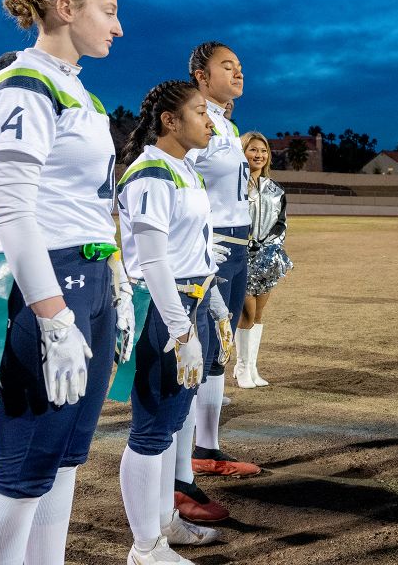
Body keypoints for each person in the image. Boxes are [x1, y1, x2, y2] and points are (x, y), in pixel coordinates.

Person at [0, 0, 123, 565]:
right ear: (66, 9)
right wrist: (53, 312)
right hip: (44, 285)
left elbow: (85, 203)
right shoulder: (22, 87)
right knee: (23, 470)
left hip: (86, 279)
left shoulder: (77, 90)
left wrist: (112, 273)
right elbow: (13, 213)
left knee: (62, 462)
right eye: (107, 12)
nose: (117, 27)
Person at [117, 80, 224, 564]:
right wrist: (182, 331)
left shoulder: (182, 170)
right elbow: (154, 263)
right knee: (152, 430)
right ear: (170, 121)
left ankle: (164, 526)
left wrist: (215, 308)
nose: (210, 120)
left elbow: (194, 250)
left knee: (171, 424)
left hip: (189, 303)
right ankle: (145, 547)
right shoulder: (152, 174)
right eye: (201, 111)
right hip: (164, 309)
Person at [173, 42, 255, 524]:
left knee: (220, 349)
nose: (238, 72)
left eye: (240, 66)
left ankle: (207, 447)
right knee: (199, 351)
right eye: (228, 66)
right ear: (201, 75)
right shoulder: (193, 119)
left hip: (238, 242)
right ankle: (182, 472)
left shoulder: (224, 122)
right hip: (215, 245)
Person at [236, 131, 292, 388]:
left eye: (263, 151)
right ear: (243, 152)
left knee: (258, 314)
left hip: (267, 257)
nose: (259, 155)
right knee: (245, 313)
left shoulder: (276, 190)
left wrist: (271, 247)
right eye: (253, 150)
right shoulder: (234, 186)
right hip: (241, 256)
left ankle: (252, 367)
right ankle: (241, 366)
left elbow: (281, 223)